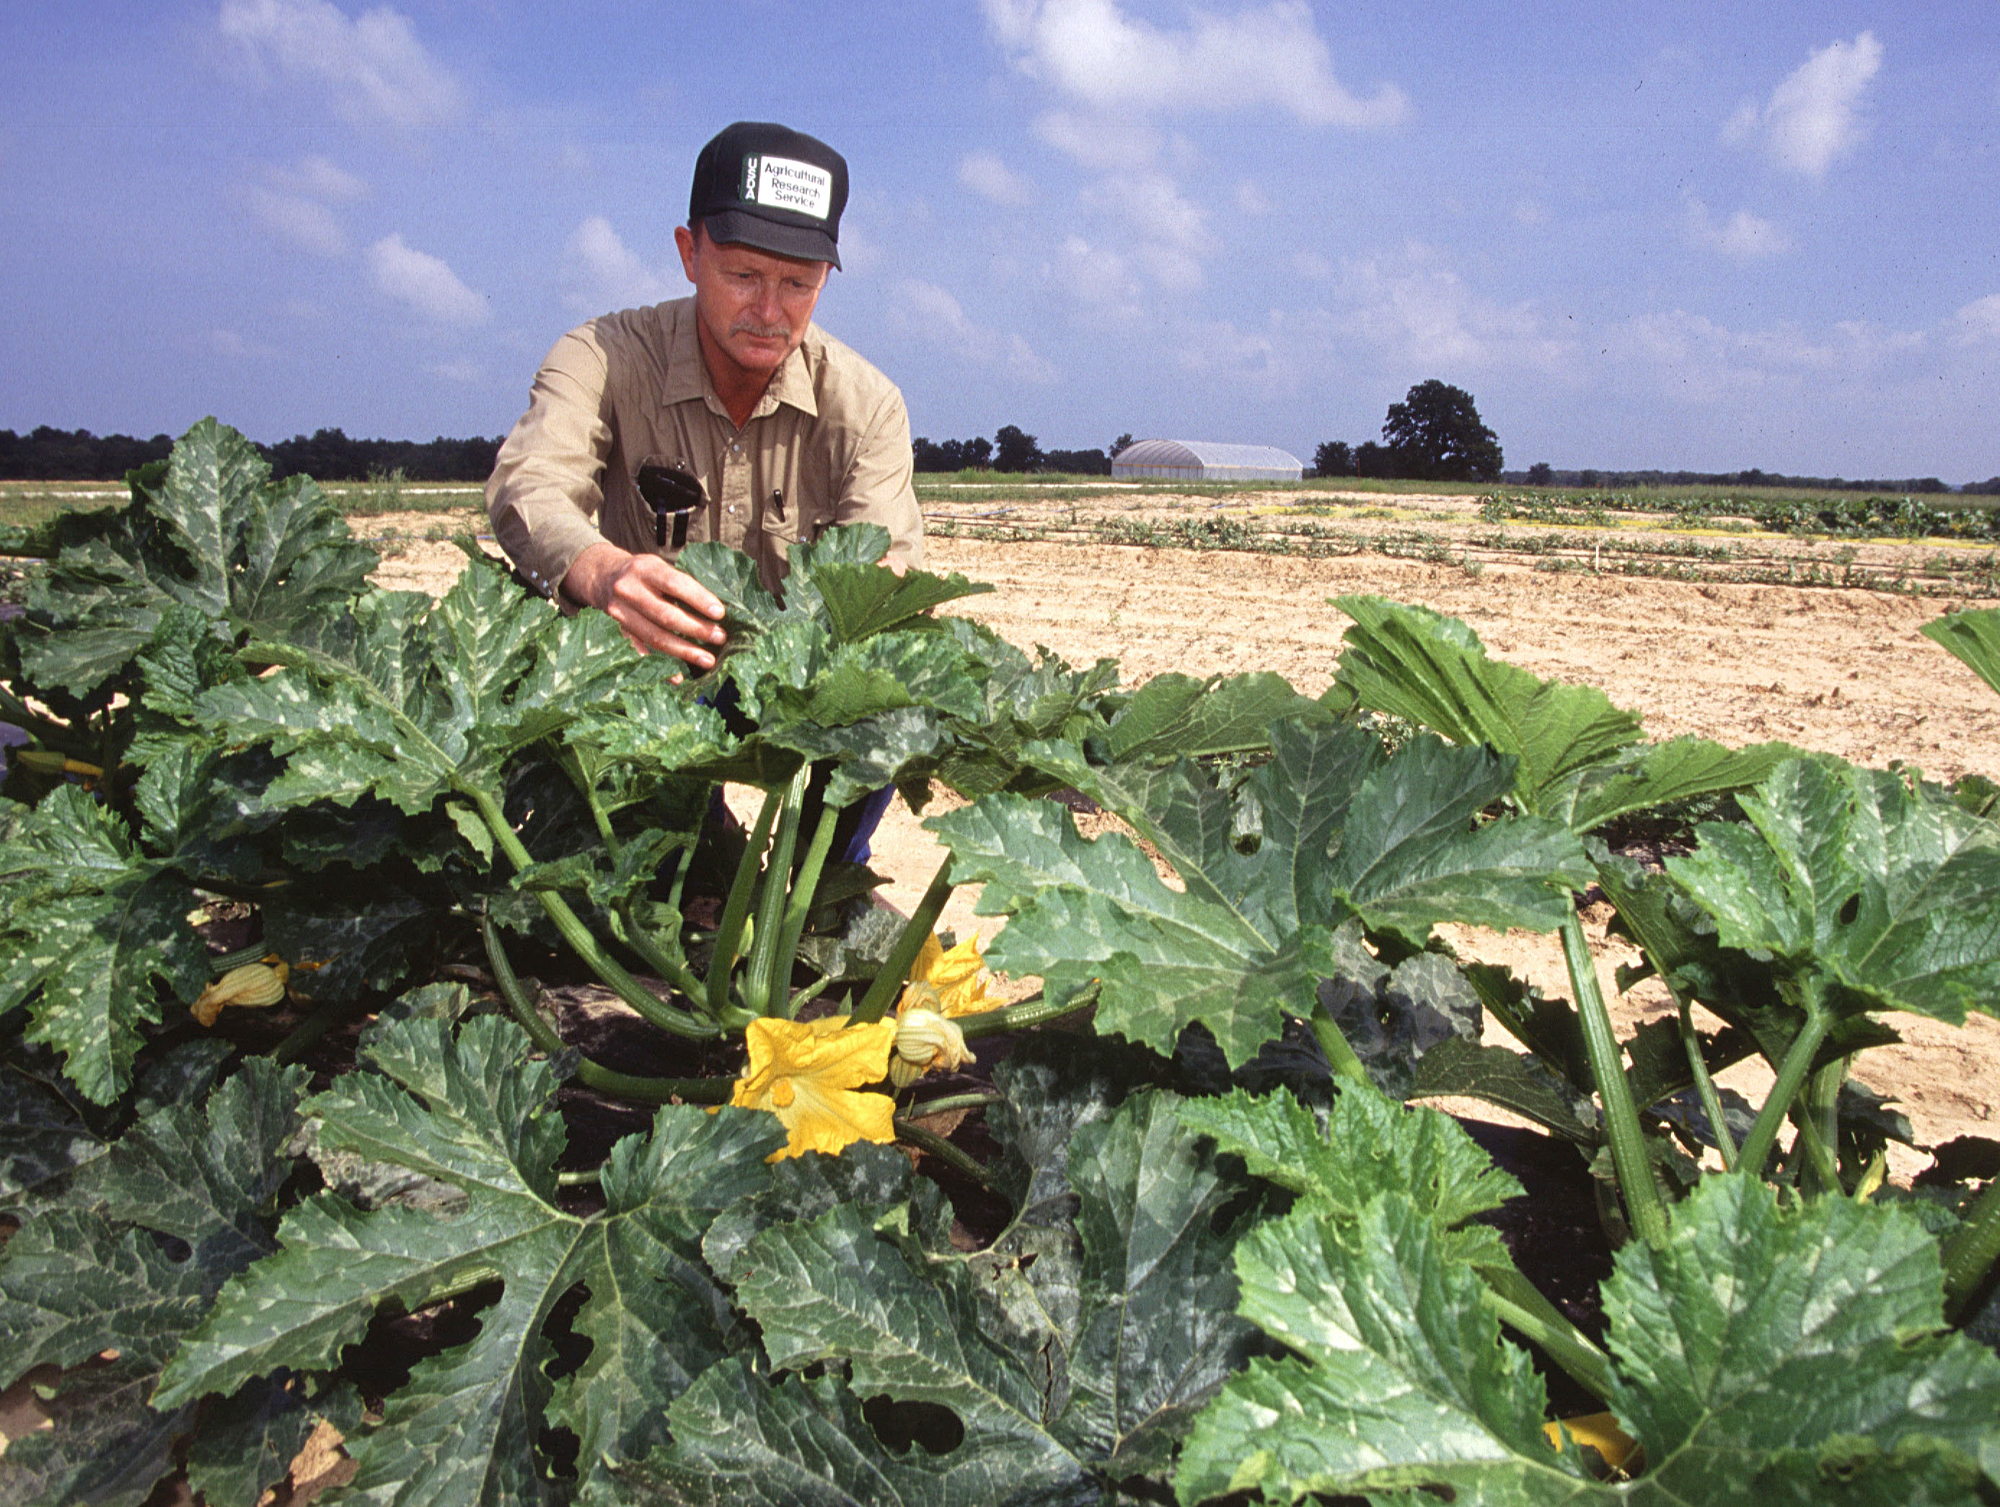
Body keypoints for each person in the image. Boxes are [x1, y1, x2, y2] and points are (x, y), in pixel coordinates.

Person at [487, 120, 921, 863]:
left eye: (798, 284)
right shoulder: (601, 355)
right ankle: (688, 849)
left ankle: (822, 887)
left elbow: (889, 577)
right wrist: (602, 572)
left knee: (894, 690)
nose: (769, 310)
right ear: (689, 254)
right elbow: (529, 484)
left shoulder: (869, 404)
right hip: (640, 668)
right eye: (744, 275)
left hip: (792, 692)